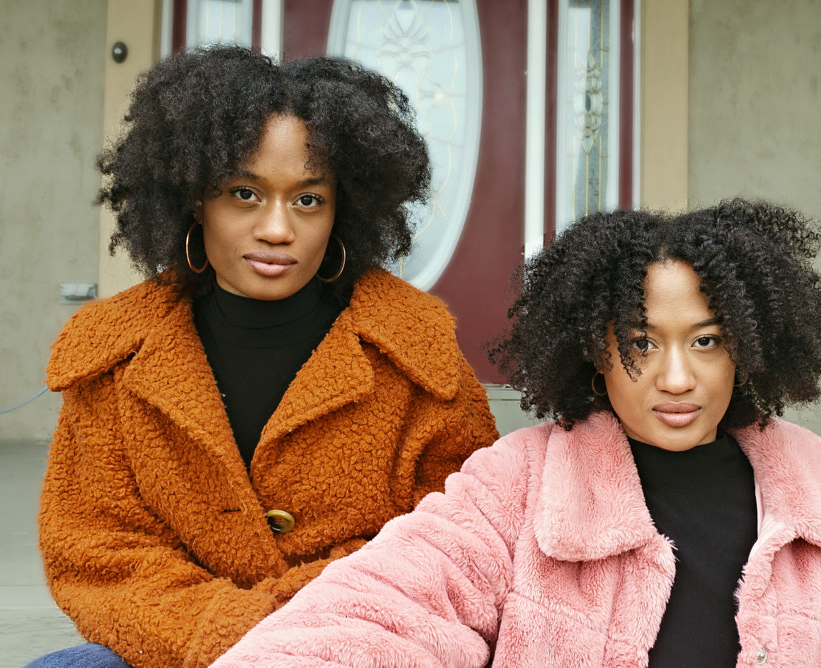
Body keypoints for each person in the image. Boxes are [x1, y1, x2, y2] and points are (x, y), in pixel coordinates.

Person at [210, 200, 821, 667]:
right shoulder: (518, 487)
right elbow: (373, 620)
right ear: (593, 348)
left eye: (707, 342)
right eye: (643, 345)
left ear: (748, 346)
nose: (677, 378)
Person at [28, 46, 497, 668]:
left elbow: (455, 540)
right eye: (244, 194)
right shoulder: (111, 356)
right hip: (180, 651)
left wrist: (298, 634)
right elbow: (97, 549)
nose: (278, 229)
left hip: (358, 648)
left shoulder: (415, 353)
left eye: (308, 200)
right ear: (196, 199)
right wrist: (235, 634)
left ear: (342, 208)